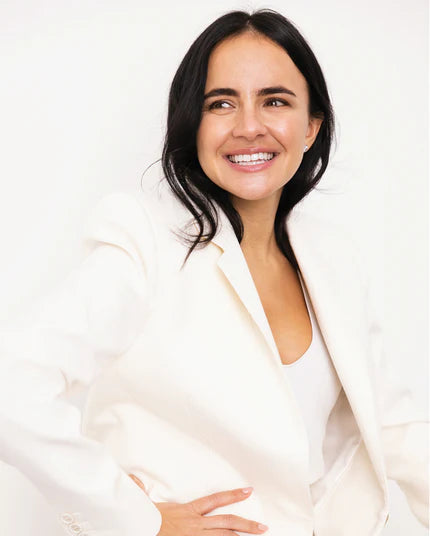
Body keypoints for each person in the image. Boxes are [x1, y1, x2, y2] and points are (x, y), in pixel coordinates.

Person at [0, 8, 428, 536]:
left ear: (312, 126)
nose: (248, 127)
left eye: (275, 101)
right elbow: (11, 384)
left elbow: (398, 428)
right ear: (194, 126)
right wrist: (135, 520)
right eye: (221, 103)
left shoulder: (332, 258)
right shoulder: (146, 240)